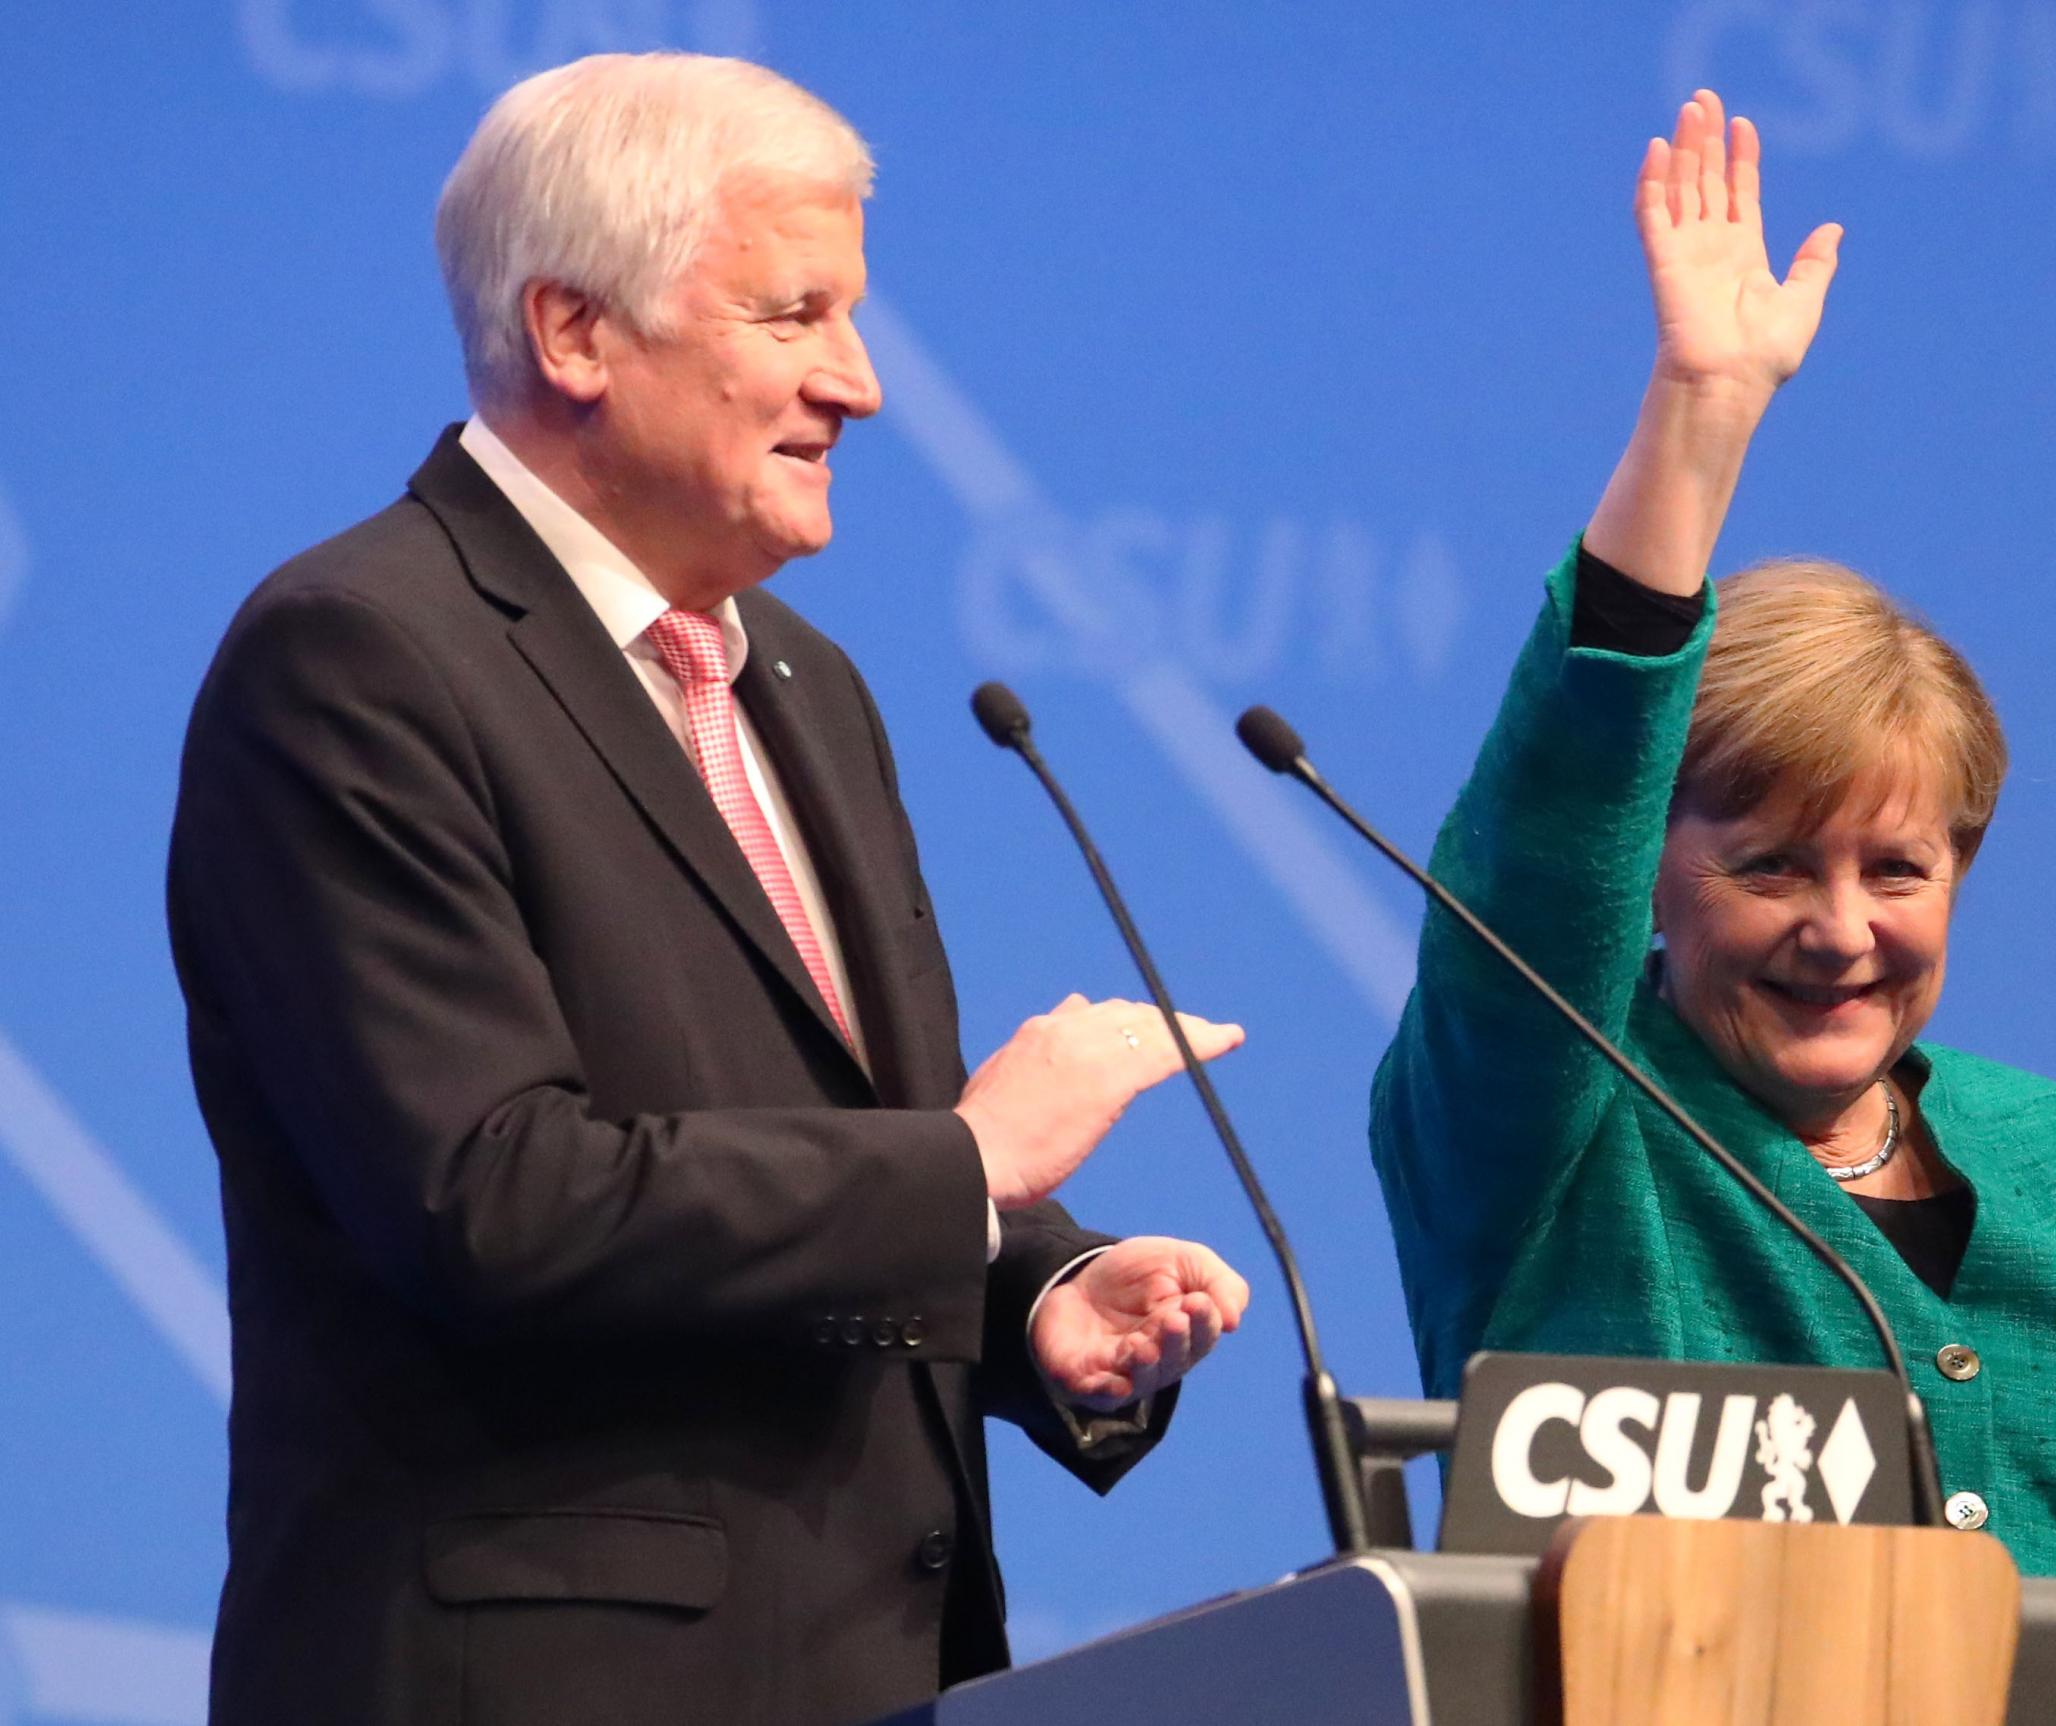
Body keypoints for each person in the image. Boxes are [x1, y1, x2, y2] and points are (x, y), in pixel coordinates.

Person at [168, 52, 1250, 1726]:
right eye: (795, 314)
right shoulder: (360, 658)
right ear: (574, 332)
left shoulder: (802, 684)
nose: (863, 384)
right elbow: (494, 1199)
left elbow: (814, 1134)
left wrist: (1026, 1282)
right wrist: (968, 1164)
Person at [1369, 90, 2056, 1724]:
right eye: (1774, 864)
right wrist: (1700, 420)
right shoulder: (1556, 1127)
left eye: (1898, 869)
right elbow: (1549, 826)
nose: (1843, 928)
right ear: (1656, 869)